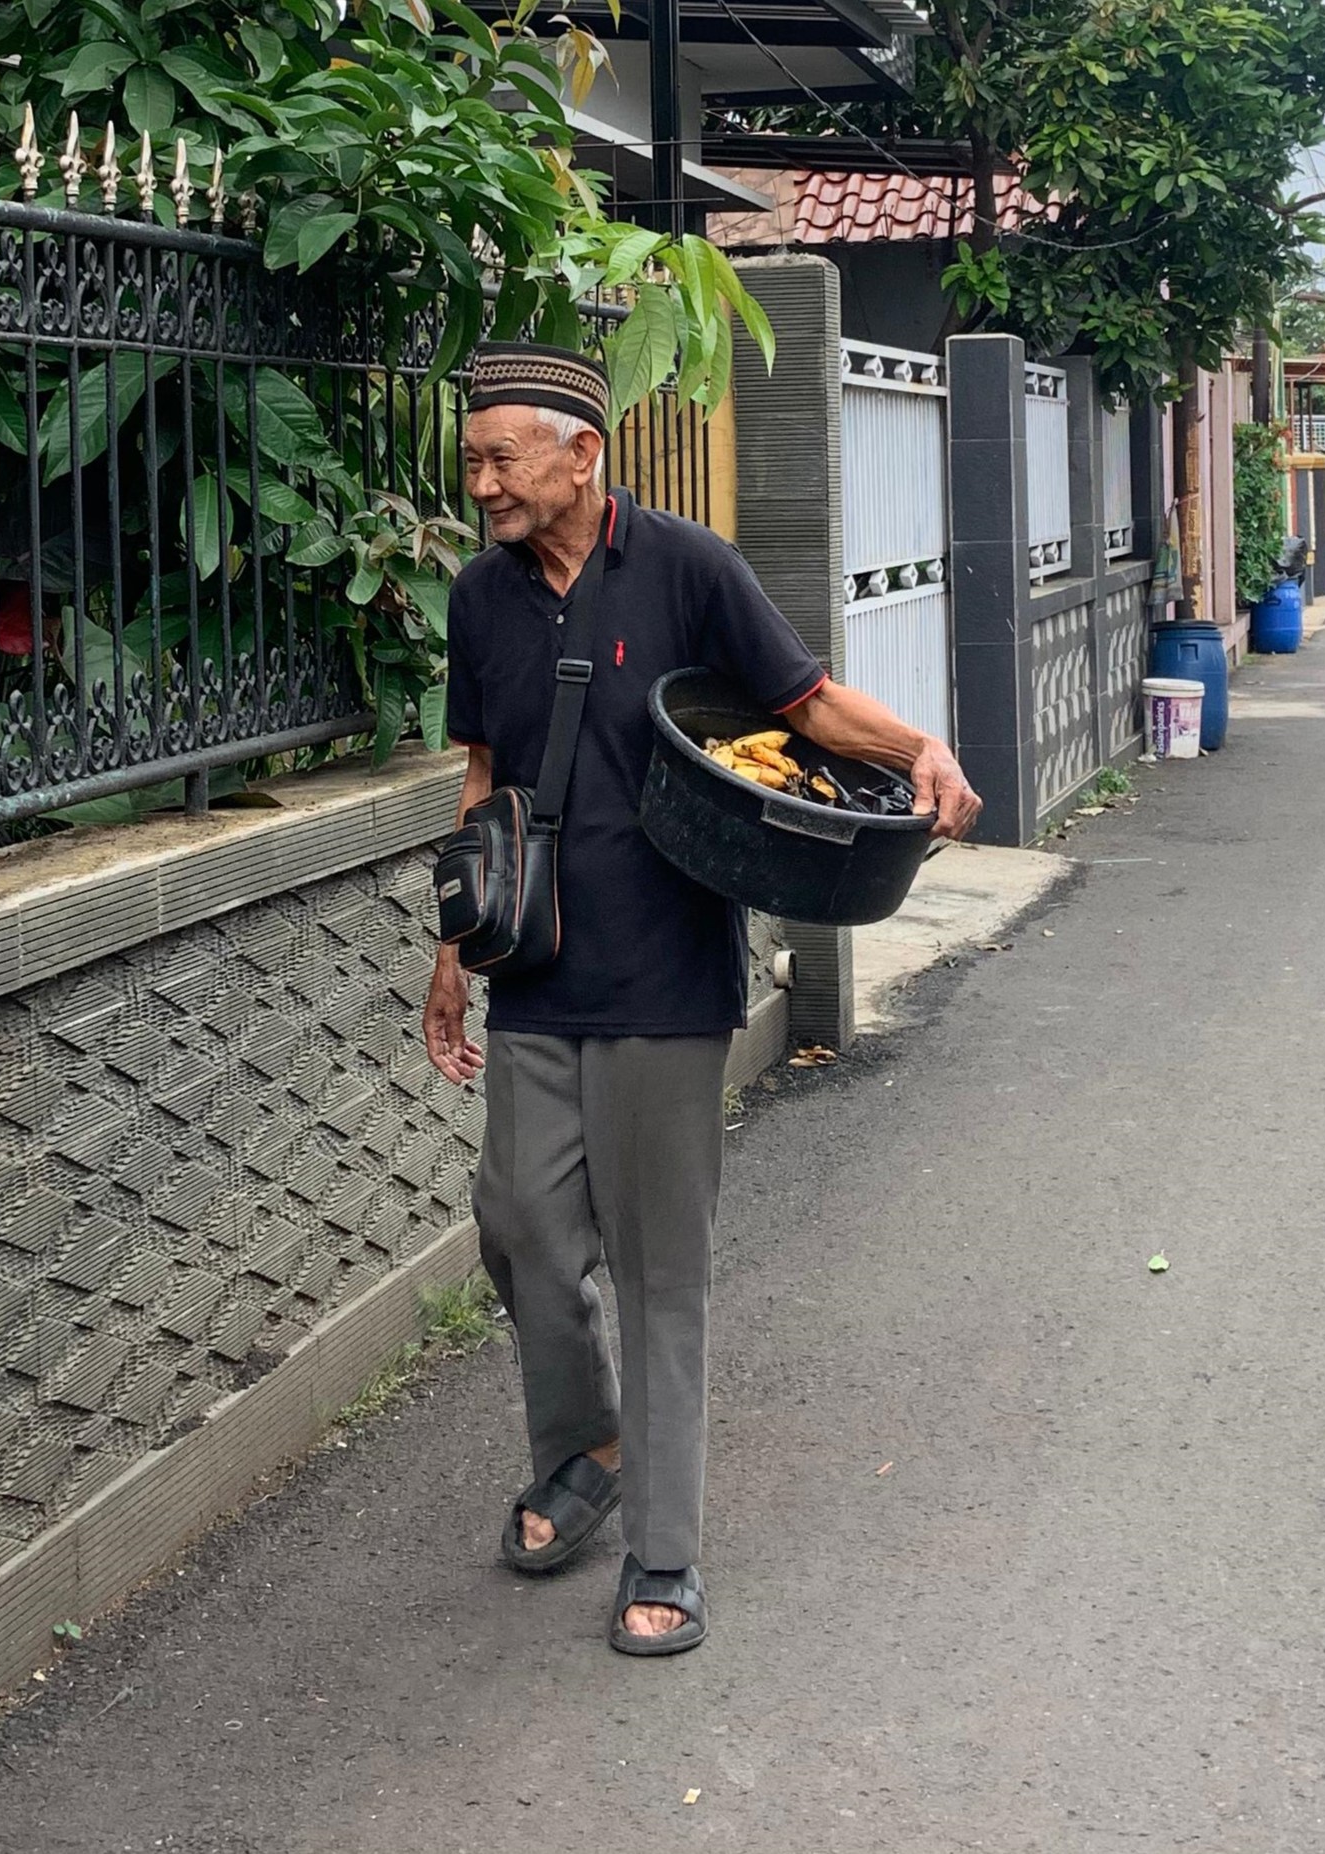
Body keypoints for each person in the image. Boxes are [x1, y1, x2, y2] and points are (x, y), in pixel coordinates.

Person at [423, 342, 981, 1657]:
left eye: (503, 458)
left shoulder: (689, 568)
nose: (483, 483)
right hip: (535, 969)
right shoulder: (481, 597)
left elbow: (808, 706)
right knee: (517, 1225)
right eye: (472, 460)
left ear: (582, 454)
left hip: (667, 973)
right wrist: (453, 946)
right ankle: (587, 1445)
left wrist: (919, 746)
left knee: (658, 1265)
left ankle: (662, 1545)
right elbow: (483, 774)